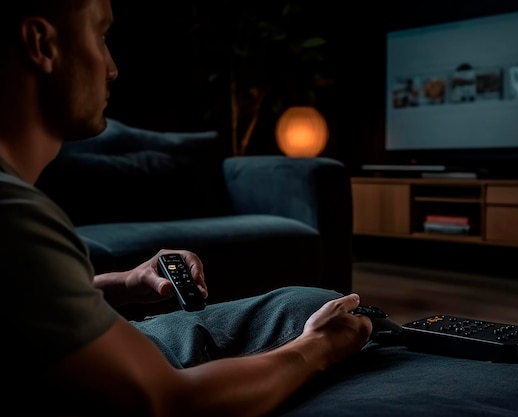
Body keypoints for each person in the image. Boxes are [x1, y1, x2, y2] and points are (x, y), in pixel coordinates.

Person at [0, 1, 372, 416]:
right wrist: (316, 350)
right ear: (42, 44)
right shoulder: (14, 217)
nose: (111, 67)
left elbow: (27, 306)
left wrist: (125, 282)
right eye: (100, 35)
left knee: (312, 303)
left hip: (109, 341)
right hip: (139, 377)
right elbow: (167, 401)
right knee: (332, 321)